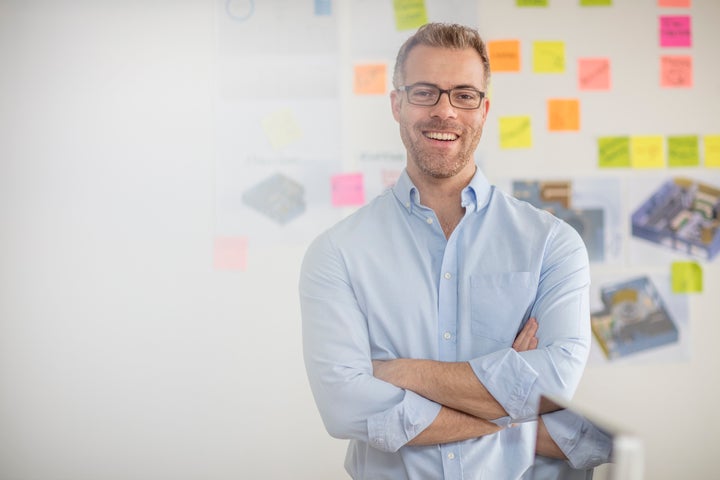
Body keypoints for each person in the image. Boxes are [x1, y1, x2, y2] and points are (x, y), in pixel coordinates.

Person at [299, 22, 591, 480]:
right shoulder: (338, 252)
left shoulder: (552, 244)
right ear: (396, 105)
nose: (445, 111)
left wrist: (397, 372)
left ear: (484, 109)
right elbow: (344, 406)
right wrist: (506, 407)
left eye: (464, 95)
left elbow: (552, 387)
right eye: (424, 93)